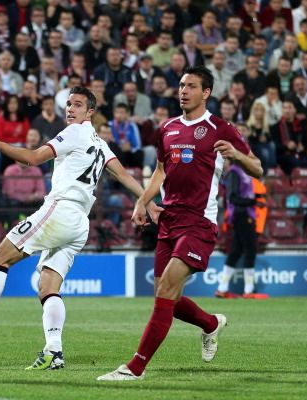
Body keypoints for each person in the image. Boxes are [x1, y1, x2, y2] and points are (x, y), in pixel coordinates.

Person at [0, 86, 162, 370]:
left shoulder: (75, 132)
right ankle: (54, 352)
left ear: (90, 112)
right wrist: (147, 201)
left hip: (61, 210)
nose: (70, 109)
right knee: (48, 286)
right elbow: (121, 173)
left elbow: (32, 158)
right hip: (80, 223)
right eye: (69, 104)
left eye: (78, 105)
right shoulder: (100, 142)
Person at [98, 66, 263, 381]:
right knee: (165, 295)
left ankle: (135, 368)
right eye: (181, 85)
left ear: (206, 93)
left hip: (199, 222)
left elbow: (257, 167)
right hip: (169, 220)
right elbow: (160, 171)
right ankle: (211, 324)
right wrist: (143, 201)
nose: (183, 90)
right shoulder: (168, 128)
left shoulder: (220, 128)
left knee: (168, 288)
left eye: (191, 86)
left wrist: (238, 156)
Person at [215, 160, 269, 299]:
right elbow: (232, 198)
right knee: (251, 249)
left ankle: (222, 289)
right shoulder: (234, 172)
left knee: (236, 251)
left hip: (243, 214)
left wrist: (254, 199)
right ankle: (249, 290)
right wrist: (253, 202)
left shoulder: (241, 172)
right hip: (242, 214)